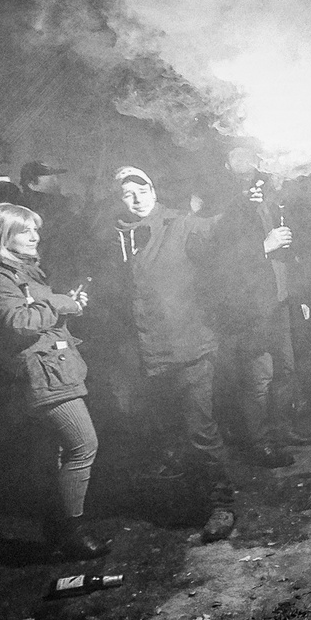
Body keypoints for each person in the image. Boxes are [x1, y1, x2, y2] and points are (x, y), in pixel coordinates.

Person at [94, 165, 235, 542]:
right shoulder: (111, 238)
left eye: (143, 189)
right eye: (128, 193)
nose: (138, 198)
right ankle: (187, 500)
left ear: (154, 190)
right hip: (142, 355)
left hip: (188, 347)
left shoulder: (181, 224)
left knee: (200, 431)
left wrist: (239, 203)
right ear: (118, 200)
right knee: (167, 435)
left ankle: (221, 506)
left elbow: (222, 235)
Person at [0, 203, 107, 559]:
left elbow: (34, 312)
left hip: (54, 367)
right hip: (42, 374)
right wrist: (60, 304)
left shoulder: (23, 270)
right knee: (83, 446)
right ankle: (71, 530)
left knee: (60, 452)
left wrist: (65, 304)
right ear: (2, 235)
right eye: (25, 231)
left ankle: (58, 530)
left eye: (35, 229)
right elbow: (16, 322)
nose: (35, 236)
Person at [212, 165, 300, 467]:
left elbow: (288, 255)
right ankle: (258, 444)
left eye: (261, 180)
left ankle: (281, 431)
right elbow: (224, 265)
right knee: (259, 378)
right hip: (254, 309)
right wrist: (265, 246)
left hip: (280, 301)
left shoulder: (271, 208)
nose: (258, 186)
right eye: (251, 182)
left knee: (286, 370)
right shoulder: (229, 216)